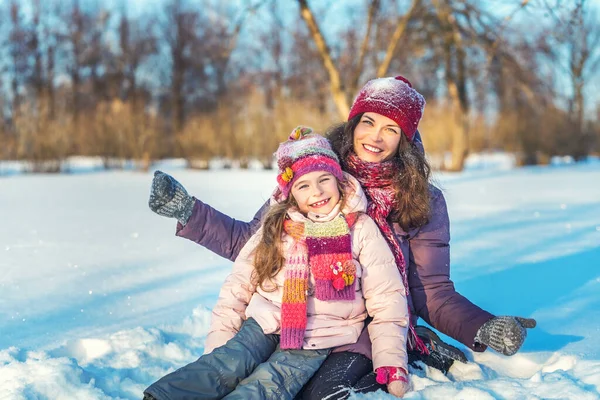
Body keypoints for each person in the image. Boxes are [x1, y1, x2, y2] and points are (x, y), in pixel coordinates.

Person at [148, 76, 537, 399]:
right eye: (369, 121)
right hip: (291, 315)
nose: (376, 137)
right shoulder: (314, 176)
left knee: (313, 393)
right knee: (246, 370)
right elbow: (252, 243)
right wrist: (189, 212)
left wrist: (481, 325)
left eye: (392, 129)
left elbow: (430, 289)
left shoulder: (422, 200)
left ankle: (413, 346)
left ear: (405, 139)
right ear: (353, 123)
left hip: (362, 326)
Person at [144, 127, 411, 400]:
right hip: (265, 320)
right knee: (227, 363)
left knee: (271, 382)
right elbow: (240, 283)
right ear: (291, 194)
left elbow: (387, 297)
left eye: (324, 179)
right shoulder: (277, 227)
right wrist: (219, 344)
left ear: (338, 180)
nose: (316, 192)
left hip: (321, 333)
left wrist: (391, 361)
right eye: (303, 185)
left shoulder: (359, 228)